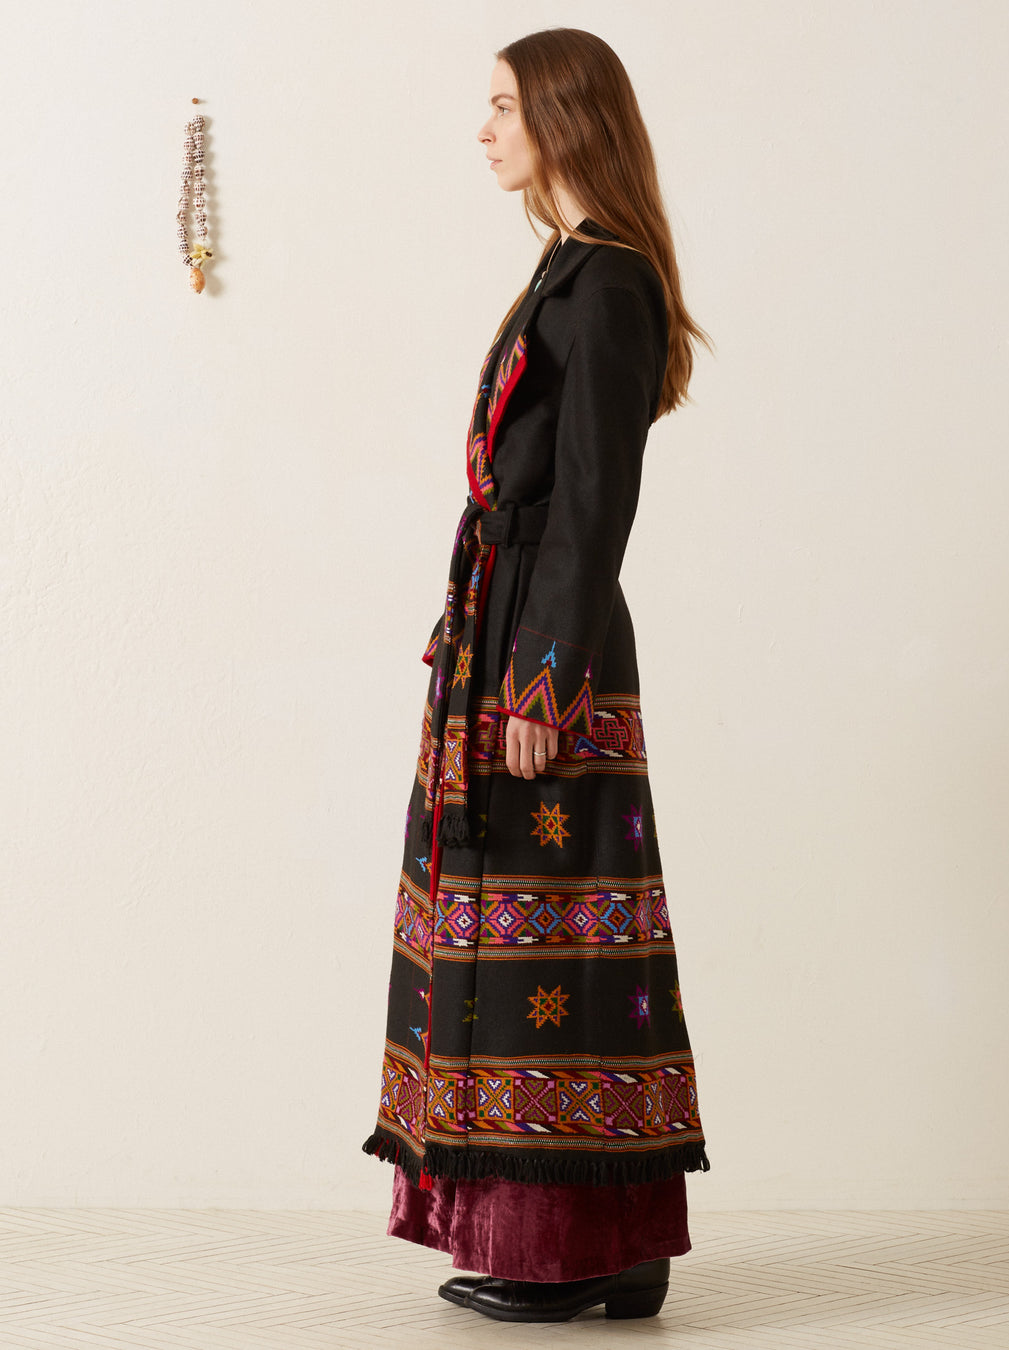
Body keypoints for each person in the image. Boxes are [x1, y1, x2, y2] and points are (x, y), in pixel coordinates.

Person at [362, 26, 713, 1324]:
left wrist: (541, 679)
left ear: (566, 119)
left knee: (549, 927)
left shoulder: (606, 286)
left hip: (544, 642)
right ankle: (598, 1242)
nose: (485, 129)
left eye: (504, 106)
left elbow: (594, 502)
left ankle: (572, 1246)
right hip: (503, 618)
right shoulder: (569, 273)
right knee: (519, 922)